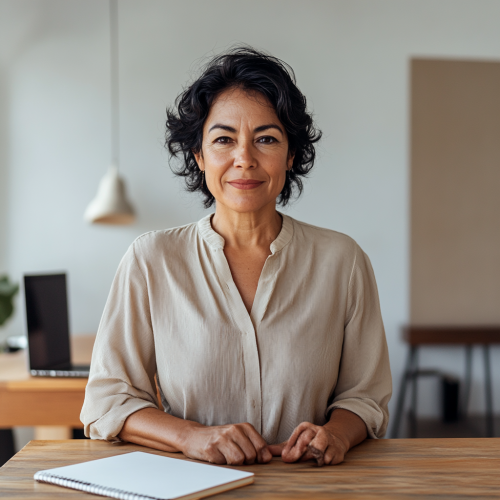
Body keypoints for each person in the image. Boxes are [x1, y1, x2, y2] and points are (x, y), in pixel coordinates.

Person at [81, 47, 391, 467]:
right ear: (199, 156)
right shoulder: (151, 260)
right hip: (189, 486)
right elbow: (106, 400)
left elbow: (365, 395)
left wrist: (335, 434)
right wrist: (191, 437)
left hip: (311, 488)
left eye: (266, 139)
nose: (244, 159)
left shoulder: (344, 261)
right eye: (224, 139)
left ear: (291, 155)